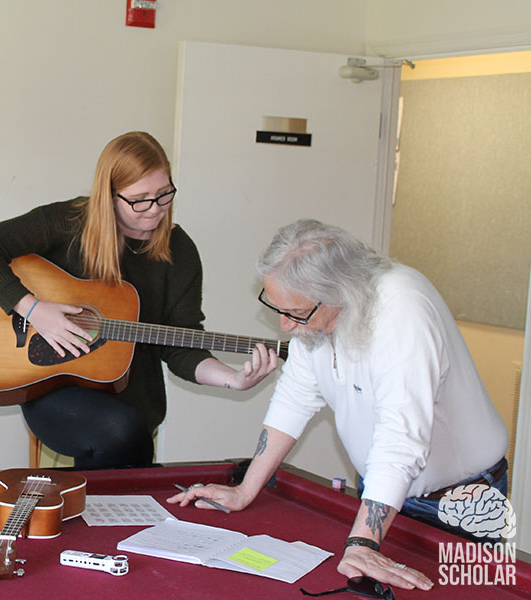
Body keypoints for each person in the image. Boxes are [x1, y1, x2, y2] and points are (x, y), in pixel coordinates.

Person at [169, 219, 509, 591]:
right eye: (277, 309)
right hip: (382, 493)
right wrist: (246, 490)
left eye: (295, 313)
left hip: (458, 501)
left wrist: (362, 542)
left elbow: (401, 437)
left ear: (338, 294)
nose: (284, 326)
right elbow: (295, 397)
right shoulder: (314, 319)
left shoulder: (402, 310)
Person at [0, 131, 277, 469]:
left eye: (164, 194)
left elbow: (182, 344)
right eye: (139, 199)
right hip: (53, 387)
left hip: (134, 401)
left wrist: (233, 379)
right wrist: (33, 309)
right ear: (108, 196)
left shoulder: (180, 251)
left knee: (127, 440)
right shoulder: (67, 223)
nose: (154, 210)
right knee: (120, 428)